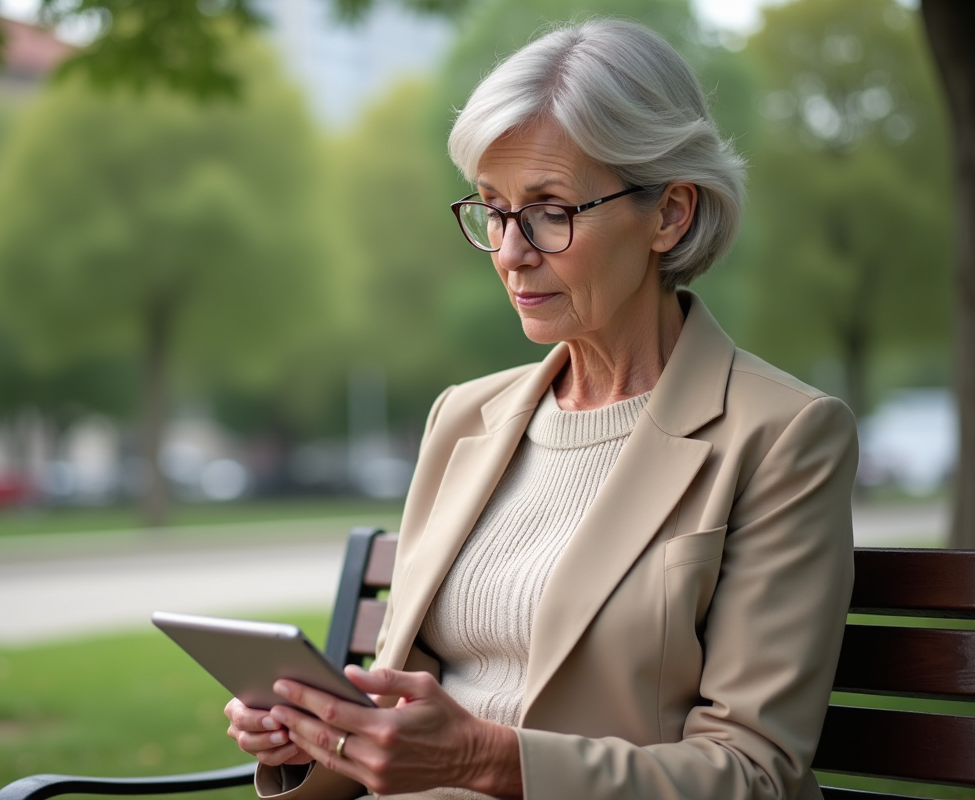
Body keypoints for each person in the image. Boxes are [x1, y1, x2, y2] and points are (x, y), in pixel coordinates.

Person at [225, 18, 857, 800]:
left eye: (550, 210)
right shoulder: (464, 417)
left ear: (671, 215)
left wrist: (489, 762)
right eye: (493, 209)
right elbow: (398, 704)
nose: (511, 250)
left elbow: (756, 775)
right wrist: (313, 735)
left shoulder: (782, 435)